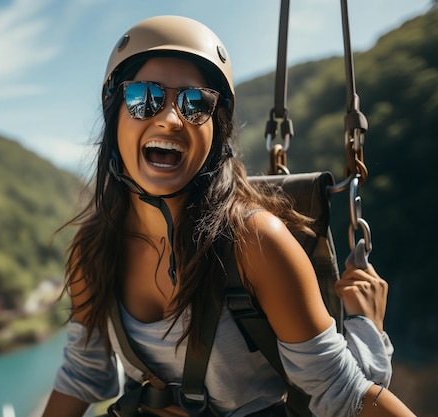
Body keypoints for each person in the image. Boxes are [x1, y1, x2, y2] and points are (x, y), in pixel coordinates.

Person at [41, 15, 415, 417]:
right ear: (115, 115)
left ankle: (365, 329)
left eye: (196, 103)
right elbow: (82, 374)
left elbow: (342, 393)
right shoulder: (95, 251)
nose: (169, 118)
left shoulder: (254, 243)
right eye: (142, 97)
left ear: (216, 131)